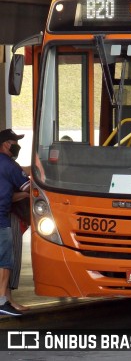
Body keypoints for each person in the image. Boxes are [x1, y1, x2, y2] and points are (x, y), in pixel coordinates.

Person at [0, 129, 30, 316]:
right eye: (13, 141)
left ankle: (6, 299)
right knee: (6, 261)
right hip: (2, 218)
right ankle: (3, 301)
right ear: (5, 144)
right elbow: (28, 186)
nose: (16, 145)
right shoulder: (9, 165)